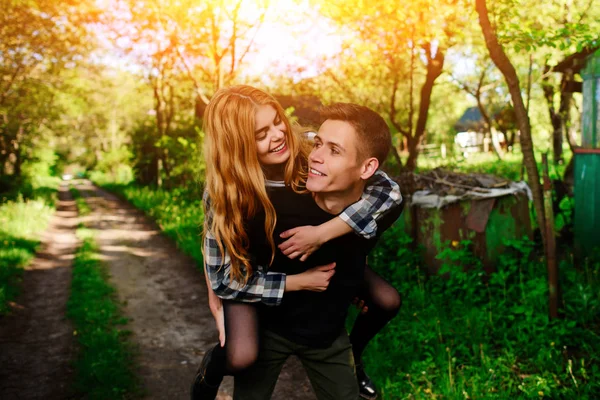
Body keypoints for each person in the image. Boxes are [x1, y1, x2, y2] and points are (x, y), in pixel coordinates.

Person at [192, 86, 402, 400]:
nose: (278, 135)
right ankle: (212, 370)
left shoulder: (308, 148)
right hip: (257, 268)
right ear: (237, 146)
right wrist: (290, 283)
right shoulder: (228, 190)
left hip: (314, 252)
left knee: (387, 299)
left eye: (278, 121)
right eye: (261, 133)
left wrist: (326, 233)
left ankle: (354, 360)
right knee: (241, 355)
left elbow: (386, 189)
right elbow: (222, 267)